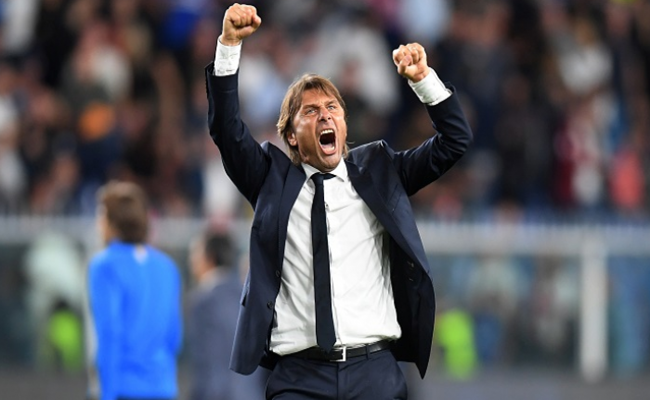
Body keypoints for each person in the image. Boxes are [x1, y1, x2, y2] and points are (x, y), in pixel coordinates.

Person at [205, 4, 473, 399]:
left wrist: (423, 81)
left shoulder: (381, 171)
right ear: (291, 135)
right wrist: (229, 45)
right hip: (299, 377)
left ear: (344, 125)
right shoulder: (270, 178)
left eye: (333, 108)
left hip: (373, 372)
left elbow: (455, 141)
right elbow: (226, 130)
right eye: (311, 111)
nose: (325, 116)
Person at [86, 181, 183, 400]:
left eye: (101, 216)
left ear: (112, 223)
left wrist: (106, 394)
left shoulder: (104, 266)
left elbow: (110, 333)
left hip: (123, 388)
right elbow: (174, 336)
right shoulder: (167, 267)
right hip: (163, 388)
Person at [187, 230, 266, 400]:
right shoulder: (249, 298)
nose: (191, 261)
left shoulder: (203, 302)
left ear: (209, 257)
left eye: (195, 254)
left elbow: (206, 363)